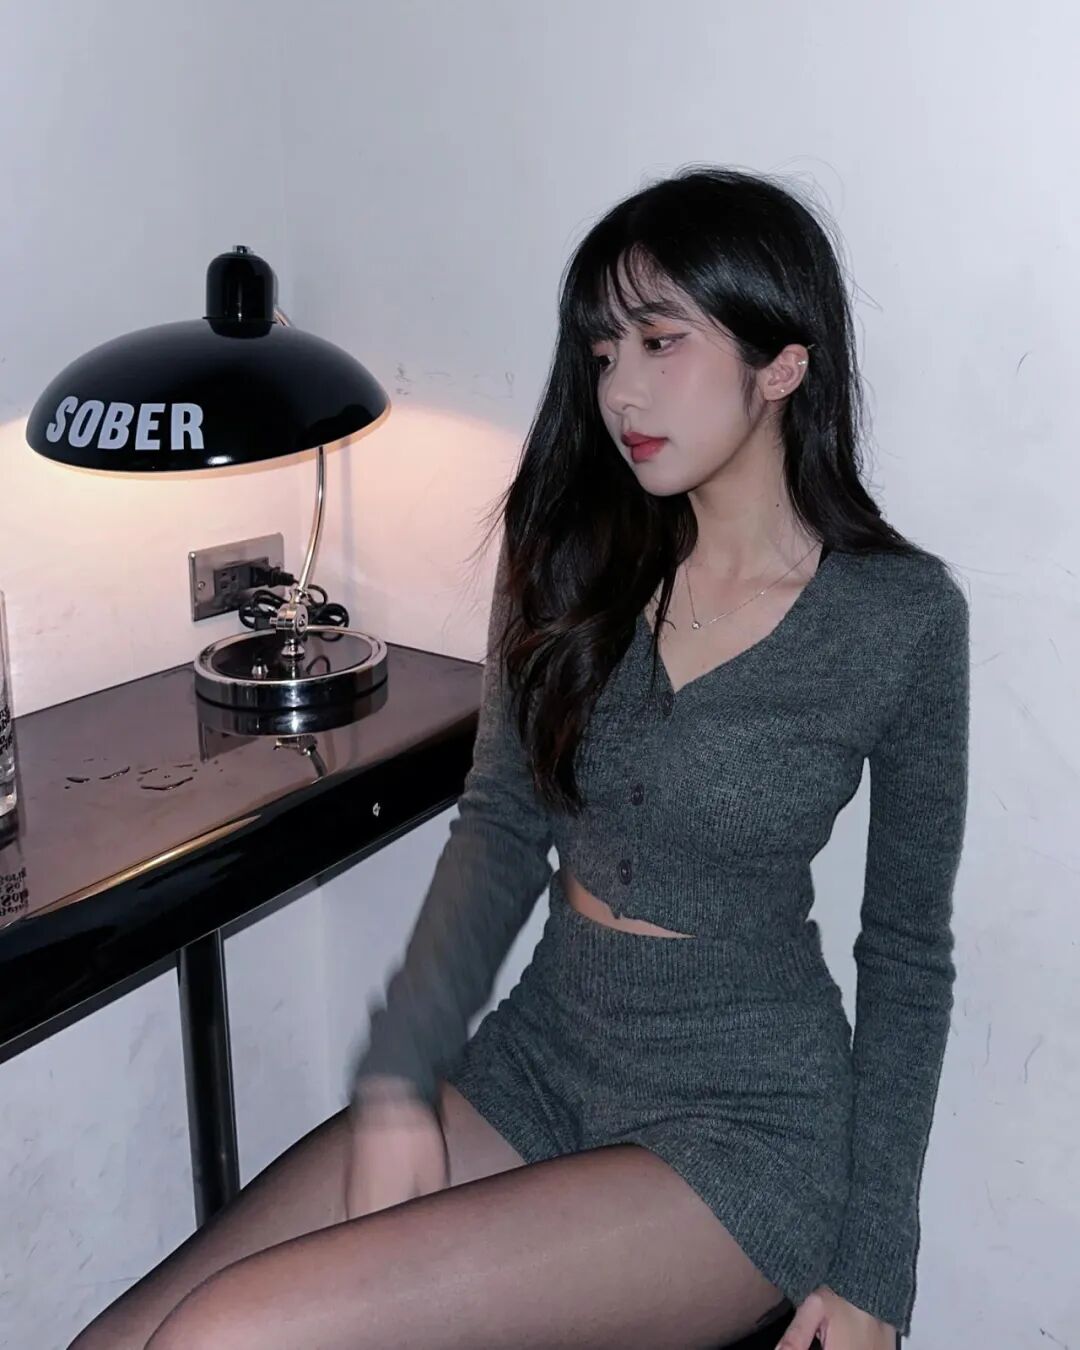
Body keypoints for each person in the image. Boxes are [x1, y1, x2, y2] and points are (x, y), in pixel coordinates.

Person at [71, 165, 969, 1350]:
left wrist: (876, 1279)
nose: (619, 388)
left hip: (743, 1127)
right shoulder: (570, 549)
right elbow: (499, 823)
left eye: (661, 341)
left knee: (228, 1334)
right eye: (603, 351)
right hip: (539, 1061)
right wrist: (402, 1073)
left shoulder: (899, 618)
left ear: (782, 363)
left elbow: (905, 956)